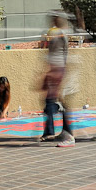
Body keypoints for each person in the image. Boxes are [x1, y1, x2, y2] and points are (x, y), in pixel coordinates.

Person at [39, 12, 76, 147]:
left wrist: (55, 75)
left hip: (57, 72)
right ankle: (56, 132)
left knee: (53, 103)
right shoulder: (61, 34)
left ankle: (65, 134)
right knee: (53, 102)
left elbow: (60, 56)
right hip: (57, 72)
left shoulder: (60, 34)